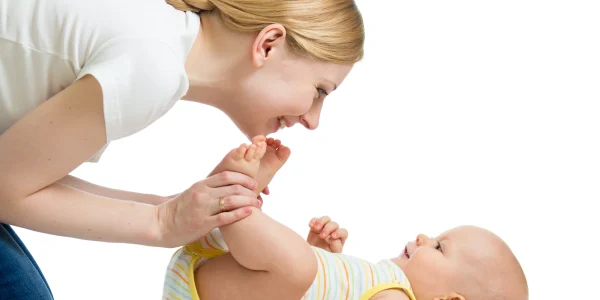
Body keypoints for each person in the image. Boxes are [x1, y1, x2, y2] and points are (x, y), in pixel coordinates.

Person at [0, 0, 364, 298]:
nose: (314, 120)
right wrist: (162, 224)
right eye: (319, 90)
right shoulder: (152, 68)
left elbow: (19, 174)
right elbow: (5, 189)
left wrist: (168, 206)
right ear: (267, 44)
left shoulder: (158, 39)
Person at [163, 136, 529, 300]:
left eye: (438, 246)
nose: (421, 236)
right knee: (299, 266)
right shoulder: (380, 283)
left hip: (211, 288)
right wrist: (325, 260)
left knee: (297, 267)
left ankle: (236, 198)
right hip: (223, 268)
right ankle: (236, 197)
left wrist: (308, 265)